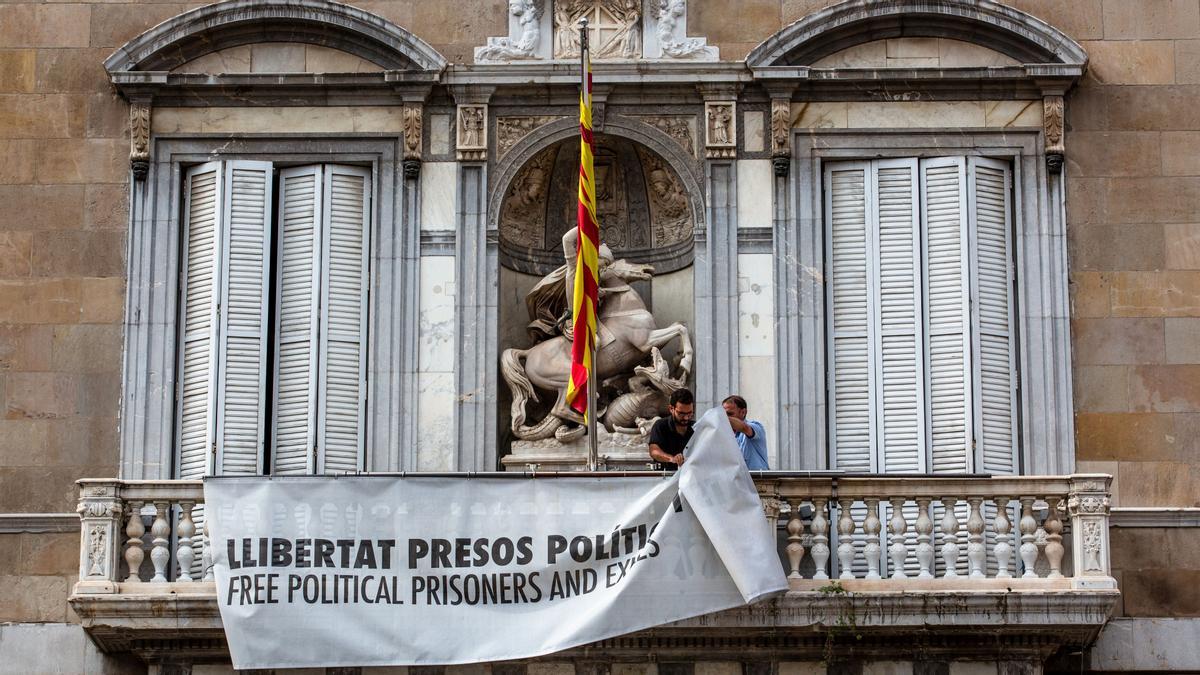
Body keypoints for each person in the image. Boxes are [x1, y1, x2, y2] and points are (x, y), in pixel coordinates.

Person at [648, 388, 695, 471]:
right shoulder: (661, 425)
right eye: (681, 413)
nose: (686, 418)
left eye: (689, 413)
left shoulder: (696, 427)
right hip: (665, 477)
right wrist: (672, 459)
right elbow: (654, 451)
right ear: (671, 409)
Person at [723, 395, 768, 470]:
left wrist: (721, 417)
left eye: (730, 414)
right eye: (724, 415)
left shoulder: (756, 426)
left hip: (758, 480)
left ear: (743, 412)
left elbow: (744, 428)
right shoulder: (726, 435)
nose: (725, 418)